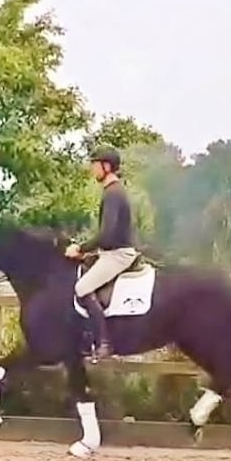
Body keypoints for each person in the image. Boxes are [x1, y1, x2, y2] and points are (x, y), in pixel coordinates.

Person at [65, 145, 140, 360]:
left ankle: (103, 342)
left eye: (95, 165)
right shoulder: (113, 191)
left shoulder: (113, 193)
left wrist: (80, 248)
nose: (92, 169)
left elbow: (107, 233)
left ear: (106, 166)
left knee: (82, 287)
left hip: (119, 254)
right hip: (110, 252)